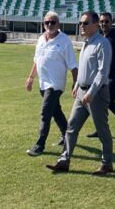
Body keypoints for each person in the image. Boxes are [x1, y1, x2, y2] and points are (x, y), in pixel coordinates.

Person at [46, 11, 113, 175]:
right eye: (80, 23)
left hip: (96, 94)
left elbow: (102, 72)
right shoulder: (86, 43)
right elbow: (84, 68)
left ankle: (107, 163)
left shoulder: (102, 44)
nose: (81, 26)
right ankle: (64, 160)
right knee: (71, 127)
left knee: (102, 130)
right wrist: (77, 85)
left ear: (96, 25)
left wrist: (92, 91)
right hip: (82, 92)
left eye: (85, 23)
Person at [25, 11, 78, 156]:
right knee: (56, 111)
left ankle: (40, 145)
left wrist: (75, 82)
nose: (50, 25)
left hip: (55, 84)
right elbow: (37, 60)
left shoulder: (64, 40)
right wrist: (31, 77)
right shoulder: (41, 39)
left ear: (58, 24)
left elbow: (73, 64)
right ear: (43, 24)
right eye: (47, 22)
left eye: (53, 22)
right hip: (43, 83)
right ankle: (68, 135)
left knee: (45, 112)